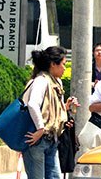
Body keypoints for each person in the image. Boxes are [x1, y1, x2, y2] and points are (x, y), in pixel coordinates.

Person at [22, 46, 79, 179]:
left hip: (52, 140)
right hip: (37, 141)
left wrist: (66, 107)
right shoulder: (41, 81)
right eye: (63, 64)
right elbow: (32, 104)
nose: (65, 68)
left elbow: (49, 112)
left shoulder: (56, 82)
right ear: (53, 64)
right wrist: (40, 129)